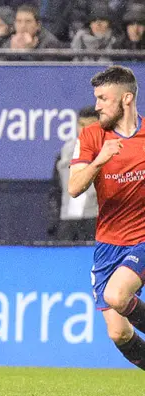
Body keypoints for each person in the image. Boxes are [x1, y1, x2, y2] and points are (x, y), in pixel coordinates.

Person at [69, 65, 145, 371]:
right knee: (119, 332)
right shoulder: (91, 136)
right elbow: (74, 187)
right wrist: (100, 160)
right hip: (108, 243)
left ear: (126, 99)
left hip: (141, 238)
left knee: (117, 294)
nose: (97, 105)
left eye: (103, 98)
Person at [48, 106, 98, 241]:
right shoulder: (65, 153)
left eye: (90, 125)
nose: (85, 130)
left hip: (96, 222)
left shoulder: (109, 152)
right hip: (67, 223)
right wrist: (54, 222)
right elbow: (56, 190)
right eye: (81, 125)